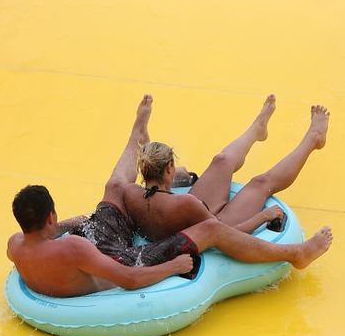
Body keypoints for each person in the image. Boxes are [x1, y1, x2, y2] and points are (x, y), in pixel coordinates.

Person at [7, 95, 334, 298]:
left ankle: (138, 134)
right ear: (50, 217)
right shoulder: (73, 249)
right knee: (236, 204)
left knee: (116, 188)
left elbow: (70, 237)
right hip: (126, 260)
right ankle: (296, 253)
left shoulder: (16, 247)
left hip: (102, 244)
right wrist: (174, 265)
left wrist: (74, 225)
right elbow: (131, 277)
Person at [121, 95, 330, 242]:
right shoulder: (185, 203)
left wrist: (178, 179)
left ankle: (257, 129)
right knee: (261, 183)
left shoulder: (131, 193)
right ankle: (314, 139)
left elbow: (158, 201)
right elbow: (221, 233)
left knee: (221, 160)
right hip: (207, 227)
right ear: (169, 169)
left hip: (186, 220)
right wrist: (264, 216)